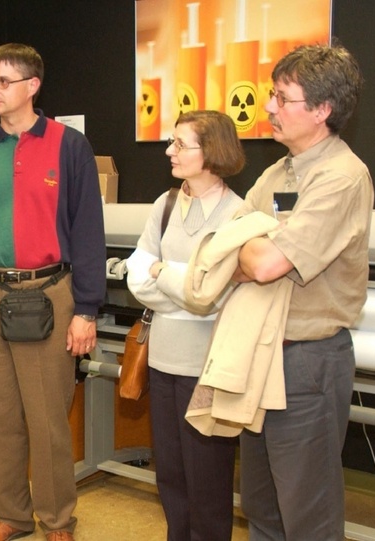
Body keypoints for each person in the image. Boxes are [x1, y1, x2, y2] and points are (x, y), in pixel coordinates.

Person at [0, 43, 106, 541]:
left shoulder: (69, 147)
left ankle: (57, 521)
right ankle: (11, 515)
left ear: (32, 86)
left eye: (5, 81)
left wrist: (87, 309)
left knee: (48, 419)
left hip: (49, 294)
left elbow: (88, 232)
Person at [232, 44, 374, 540]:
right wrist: (249, 252)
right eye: (271, 95)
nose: (269, 107)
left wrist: (250, 251)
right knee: (263, 508)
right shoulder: (277, 172)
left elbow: (265, 263)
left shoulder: (342, 177)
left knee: (307, 517)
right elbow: (220, 246)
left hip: (307, 363)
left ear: (321, 110)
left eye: (281, 98)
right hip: (262, 354)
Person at [127, 110, 245, 540]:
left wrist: (165, 274)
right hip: (161, 359)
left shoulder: (239, 214)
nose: (169, 151)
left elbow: (212, 295)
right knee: (172, 475)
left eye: (180, 144)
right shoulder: (165, 204)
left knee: (208, 480)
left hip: (210, 366)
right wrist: (182, 285)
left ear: (211, 151)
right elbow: (137, 278)